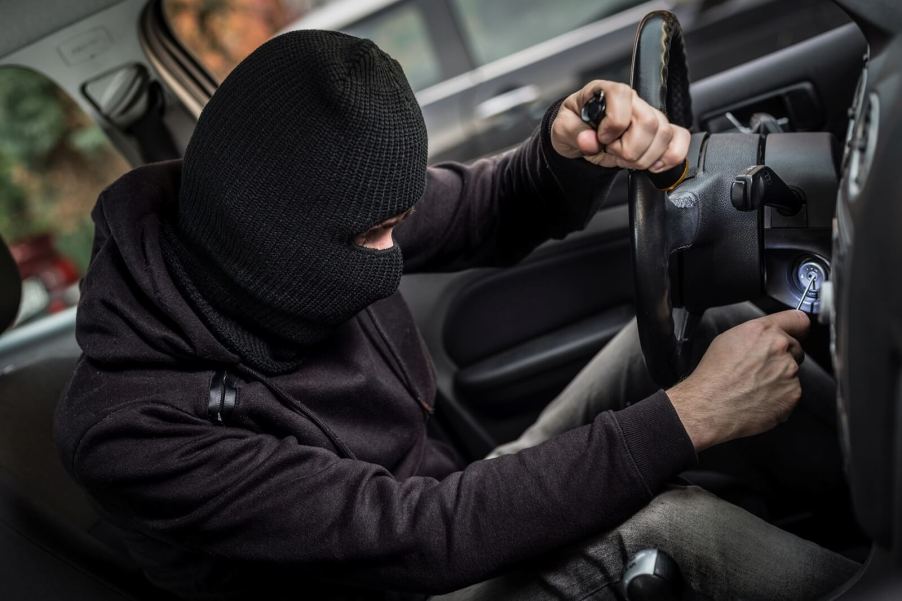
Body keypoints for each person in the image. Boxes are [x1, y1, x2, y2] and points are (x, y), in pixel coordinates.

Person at [54, 30, 858, 601]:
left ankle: (876, 522)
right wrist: (692, 418)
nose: (400, 243)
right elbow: (415, 534)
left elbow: (481, 206)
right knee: (678, 528)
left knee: (710, 341)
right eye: (380, 234)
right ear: (278, 252)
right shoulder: (133, 429)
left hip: (445, 501)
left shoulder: (293, 210)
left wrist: (563, 148)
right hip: (408, 566)